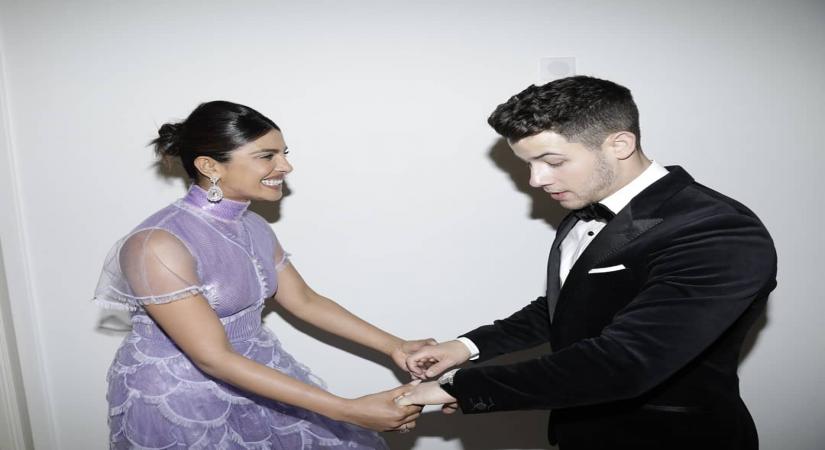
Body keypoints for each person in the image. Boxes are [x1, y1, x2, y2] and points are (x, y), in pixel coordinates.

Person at [400, 76, 777, 450]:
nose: (536, 180)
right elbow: (568, 305)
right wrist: (466, 346)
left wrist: (456, 387)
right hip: (580, 432)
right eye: (528, 164)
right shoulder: (584, 207)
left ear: (620, 144)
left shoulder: (718, 230)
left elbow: (625, 363)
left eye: (552, 161)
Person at [94, 100, 429, 449]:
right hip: (183, 396)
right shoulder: (157, 244)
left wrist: (396, 346)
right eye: (267, 155)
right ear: (210, 166)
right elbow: (213, 357)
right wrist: (345, 410)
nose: (286, 165)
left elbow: (304, 300)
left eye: (284, 153)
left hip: (258, 370)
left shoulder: (253, 224)